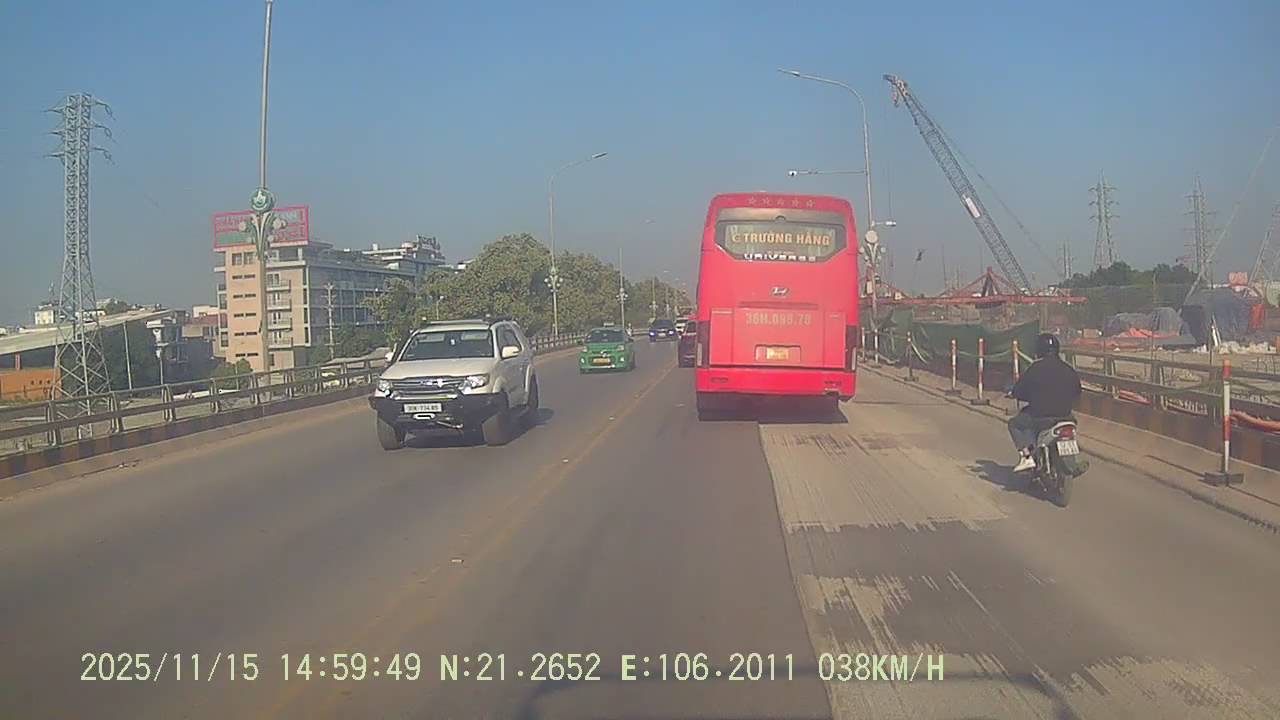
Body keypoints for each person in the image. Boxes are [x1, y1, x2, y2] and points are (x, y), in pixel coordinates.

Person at [1007, 333, 1081, 472]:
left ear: (1039, 349)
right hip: (1066, 416)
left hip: (1040, 417)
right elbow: (1077, 391)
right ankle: (1072, 463)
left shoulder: (1035, 368)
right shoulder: (1068, 369)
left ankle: (1027, 456)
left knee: (1015, 424)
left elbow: (1020, 390)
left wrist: (1016, 393)